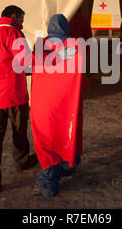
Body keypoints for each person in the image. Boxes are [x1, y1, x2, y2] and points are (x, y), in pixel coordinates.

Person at [0, 5, 38, 195]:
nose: (23, 22)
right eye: (22, 18)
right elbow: (26, 61)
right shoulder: (13, 34)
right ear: (13, 16)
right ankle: (22, 161)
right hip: (13, 94)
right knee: (19, 130)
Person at [31, 14, 86, 197]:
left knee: (47, 139)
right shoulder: (76, 46)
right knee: (66, 135)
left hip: (44, 102)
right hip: (67, 103)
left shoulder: (40, 46)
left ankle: (49, 182)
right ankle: (68, 164)